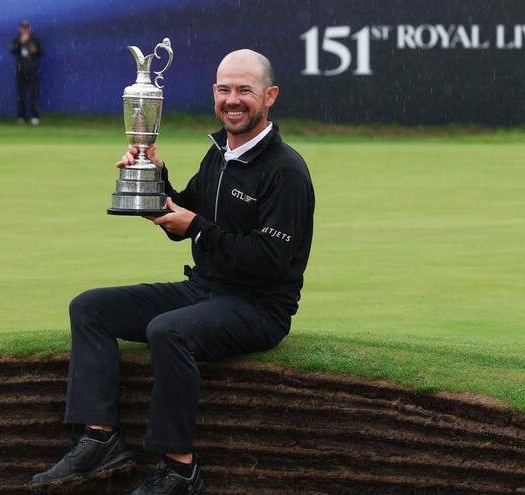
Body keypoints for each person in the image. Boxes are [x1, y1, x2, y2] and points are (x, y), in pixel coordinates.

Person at [29, 49, 314, 495]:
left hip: (259, 307)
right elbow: (185, 213)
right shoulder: (219, 154)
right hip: (204, 289)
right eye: (224, 89)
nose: (232, 100)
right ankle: (100, 440)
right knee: (90, 308)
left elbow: (270, 259)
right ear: (214, 93)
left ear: (270, 96)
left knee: (168, 331)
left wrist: (196, 227)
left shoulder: (286, 170)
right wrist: (153, 177)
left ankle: (180, 469)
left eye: (244, 90)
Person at [9, 20, 43, 124]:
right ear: (20, 29)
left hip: (32, 70)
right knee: (21, 94)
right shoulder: (17, 39)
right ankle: (21, 116)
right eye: (23, 27)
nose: (24, 29)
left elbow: (41, 52)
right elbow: (12, 50)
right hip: (21, 70)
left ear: (29, 28)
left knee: (33, 94)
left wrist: (35, 50)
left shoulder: (35, 39)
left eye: (26, 27)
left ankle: (34, 116)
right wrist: (20, 42)